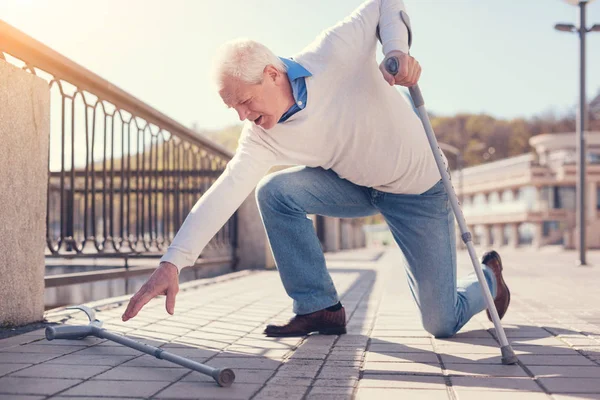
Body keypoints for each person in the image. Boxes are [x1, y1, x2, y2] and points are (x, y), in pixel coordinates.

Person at [121, 0, 510, 338]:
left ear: (272, 75)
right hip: (356, 186)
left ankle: (490, 280)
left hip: (420, 190)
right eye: (233, 109)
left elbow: (383, 3)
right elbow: (224, 192)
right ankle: (318, 307)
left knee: (440, 322)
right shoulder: (260, 136)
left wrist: (396, 49)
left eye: (245, 101)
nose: (243, 115)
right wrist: (172, 263)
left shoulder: (332, 52)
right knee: (273, 192)